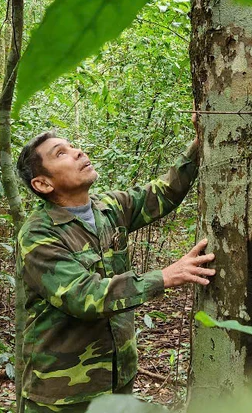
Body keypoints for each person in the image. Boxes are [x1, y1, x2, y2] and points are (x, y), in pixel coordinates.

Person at [15, 125, 214, 412]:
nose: (77, 152)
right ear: (43, 184)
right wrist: (164, 277)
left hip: (118, 375)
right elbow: (84, 296)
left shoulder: (109, 207)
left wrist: (199, 140)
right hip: (65, 393)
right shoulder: (38, 235)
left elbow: (165, 192)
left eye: (72, 146)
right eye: (61, 154)